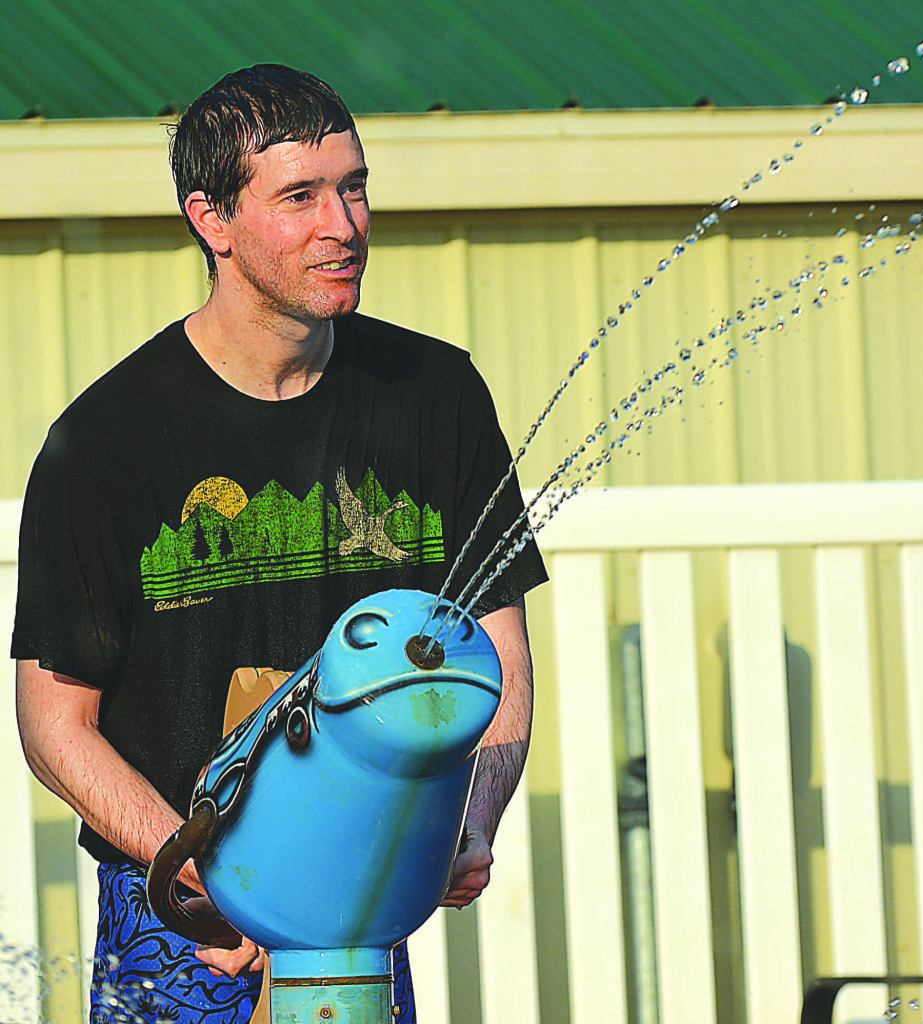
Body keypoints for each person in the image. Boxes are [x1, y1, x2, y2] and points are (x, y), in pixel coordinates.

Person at [12, 64, 546, 1024]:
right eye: (299, 197)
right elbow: (55, 727)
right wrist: (198, 867)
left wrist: (472, 813)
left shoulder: (435, 396)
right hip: (176, 906)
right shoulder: (105, 443)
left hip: (363, 887)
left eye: (354, 185)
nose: (343, 225)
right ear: (211, 219)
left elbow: (494, 655)